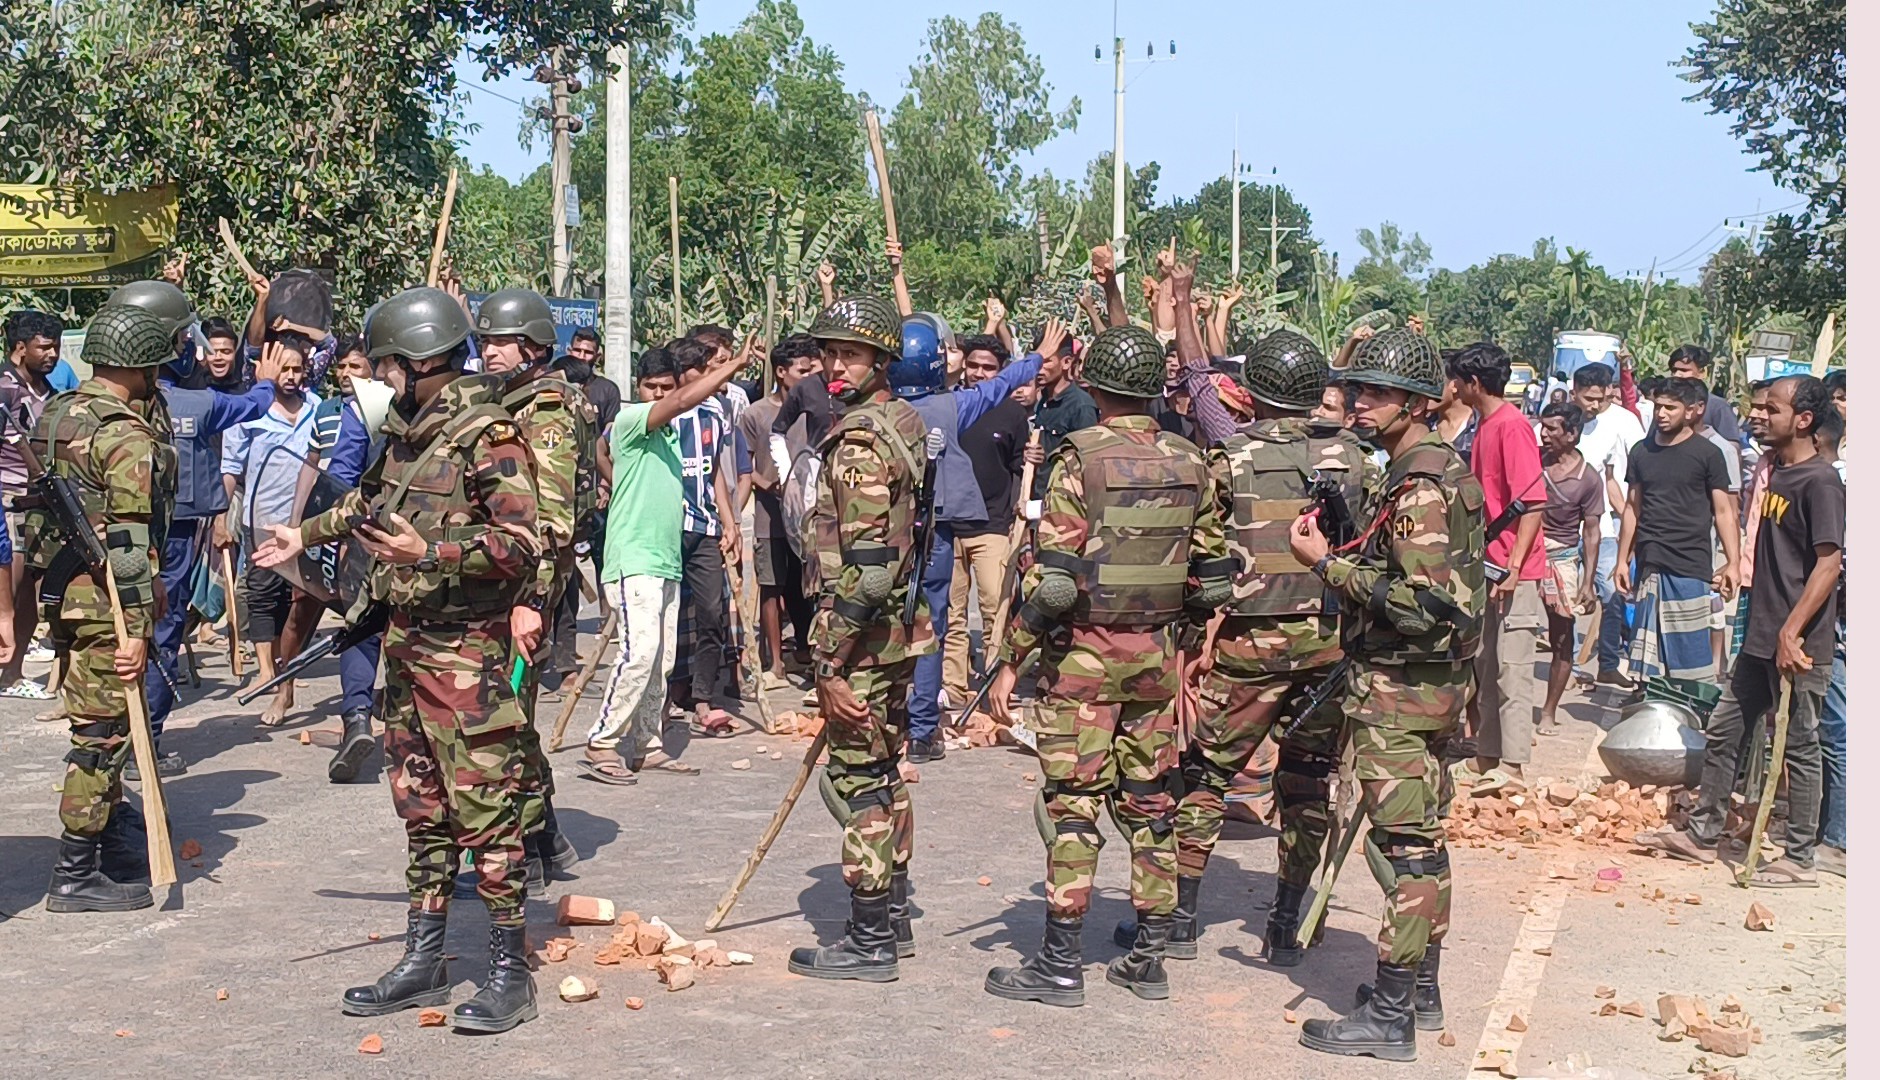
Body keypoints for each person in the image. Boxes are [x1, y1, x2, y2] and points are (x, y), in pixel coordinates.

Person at [255, 286, 544, 1033]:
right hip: (409, 651)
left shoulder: (492, 436)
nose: (377, 378)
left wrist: (436, 551)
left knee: (487, 814)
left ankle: (511, 971)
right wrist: (302, 534)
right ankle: (424, 959)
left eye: (384, 364)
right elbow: (368, 505)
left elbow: (520, 547)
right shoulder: (412, 435)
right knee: (422, 811)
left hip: (468, 662)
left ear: (416, 361)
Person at [982, 324, 1231, 1008]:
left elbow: (1057, 585)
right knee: (1151, 804)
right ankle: (1149, 955)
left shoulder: (1078, 460)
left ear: (1093, 388)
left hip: (1085, 666)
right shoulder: (1192, 460)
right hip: (1155, 662)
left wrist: (1010, 661)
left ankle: (1061, 963)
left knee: (1072, 808)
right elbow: (1212, 583)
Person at [1131, 314, 1374, 969]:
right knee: (1307, 782)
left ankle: (1179, 921)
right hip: (1329, 644)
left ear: (1256, 391)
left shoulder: (1233, 455)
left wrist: (1186, 635)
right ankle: (1288, 920)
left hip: (1249, 645)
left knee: (1205, 776)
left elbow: (1203, 555)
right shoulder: (1353, 455)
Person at [1286, 327, 1485, 1062]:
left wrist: (1327, 567)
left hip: (1401, 693)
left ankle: (1393, 1012)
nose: (1357, 403)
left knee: (1402, 847)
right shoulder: (1425, 471)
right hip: (1426, 687)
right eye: (1356, 389)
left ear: (1417, 402)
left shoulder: (1420, 484)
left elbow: (1423, 602)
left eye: (1374, 392)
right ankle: (1420, 990)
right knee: (1423, 840)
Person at [1634, 375, 1840, 888]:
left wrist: (1792, 631)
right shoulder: (1778, 474)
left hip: (1799, 643)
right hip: (1762, 635)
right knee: (1726, 729)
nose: (1758, 416)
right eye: (1757, 408)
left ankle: (1800, 857)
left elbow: (1829, 564)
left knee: (1799, 744)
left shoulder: (1820, 482)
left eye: (1770, 409)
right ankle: (1703, 833)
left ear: (1804, 420)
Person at [785, 296, 935, 982]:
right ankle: (894, 913)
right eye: (830, 353)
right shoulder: (901, 422)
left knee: (858, 781)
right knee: (885, 768)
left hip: (863, 636)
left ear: (881, 360)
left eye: (851, 353)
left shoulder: (859, 443)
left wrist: (828, 659)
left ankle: (870, 936)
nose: (835, 365)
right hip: (897, 634)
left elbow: (869, 573)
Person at [31, 304, 178, 914]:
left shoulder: (57, 412)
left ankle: (113, 839)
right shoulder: (124, 435)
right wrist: (139, 627)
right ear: (142, 365)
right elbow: (126, 542)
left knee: (108, 724)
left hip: (68, 597)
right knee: (102, 733)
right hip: (106, 606)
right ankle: (74, 870)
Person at [119, 277, 282, 775]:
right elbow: (253, 404)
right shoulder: (196, 404)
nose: (194, 347)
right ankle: (143, 741)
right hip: (175, 532)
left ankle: (106, 737)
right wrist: (268, 378)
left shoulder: (91, 407)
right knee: (161, 630)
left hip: (113, 540)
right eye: (185, 340)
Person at [475, 287, 596, 888]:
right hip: (519, 584)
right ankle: (545, 840)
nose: (489, 352)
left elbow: (549, 519)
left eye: (500, 341)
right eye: (485, 341)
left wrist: (528, 598)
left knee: (505, 718)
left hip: (529, 585)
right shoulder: (514, 400)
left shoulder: (545, 409)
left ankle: (520, 855)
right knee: (510, 716)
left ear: (532, 346)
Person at [582, 347, 746, 783]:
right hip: (633, 558)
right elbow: (677, 405)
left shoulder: (673, 437)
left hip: (665, 559)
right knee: (638, 654)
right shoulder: (632, 420)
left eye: (665, 387)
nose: (658, 394)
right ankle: (602, 741)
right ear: (639, 388)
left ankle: (647, 742)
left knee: (661, 660)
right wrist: (730, 369)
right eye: (650, 387)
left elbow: (712, 476)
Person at [898, 313, 1049, 764]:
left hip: (886, 535)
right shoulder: (949, 407)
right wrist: (1039, 355)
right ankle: (923, 730)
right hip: (937, 531)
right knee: (931, 625)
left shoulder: (876, 410)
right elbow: (1003, 385)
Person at [1447, 343, 1546, 797]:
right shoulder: (1485, 424)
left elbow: (1533, 502)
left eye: (1458, 381)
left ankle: (1515, 765)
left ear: (1472, 384)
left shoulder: (1511, 427)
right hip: (1489, 566)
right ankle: (1487, 755)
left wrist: (1514, 564)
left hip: (1513, 571)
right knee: (1487, 665)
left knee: (1514, 668)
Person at [220, 333, 321, 728]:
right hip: (261, 521)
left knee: (298, 607)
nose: (292, 376)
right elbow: (231, 468)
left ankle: (286, 683)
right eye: (285, 368)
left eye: (298, 369)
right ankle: (267, 670)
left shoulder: (318, 409)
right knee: (262, 597)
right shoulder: (249, 412)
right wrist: (218, 517)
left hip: (308, 526)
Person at [1614, 377, 1739, 683]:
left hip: (1690, 564)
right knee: (1648, 655)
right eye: (1658, 406)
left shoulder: (1708, 454)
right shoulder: (1641, 452)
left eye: (1671, 407)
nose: (1662, 413)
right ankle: (1651, 708)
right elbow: (1633, 507)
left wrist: (1734, 562)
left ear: (1691, 412)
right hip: (1650, 562)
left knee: (1689, 653)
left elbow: (1723, 511)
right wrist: (1622, 560)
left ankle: (1691, 713)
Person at [940, 334, 1030, 708]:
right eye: (973, 365)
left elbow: (1017, 467)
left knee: (997, 608)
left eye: (988, 367)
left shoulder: (1012, 414)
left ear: (1002, 371)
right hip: (946, 529)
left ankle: (995, 684)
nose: (979, 373)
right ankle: (953, 687)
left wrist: (1015, 519)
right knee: (950, 614)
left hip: (992, 526)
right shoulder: (950, 407)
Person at [667, 337, 747, 736]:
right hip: (666, 526)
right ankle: (662, 697)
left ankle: (703, 698)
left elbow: (714, 468)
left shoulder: (717, 411)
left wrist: (729, 520)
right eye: (709, 368)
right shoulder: (662, 413)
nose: (719, 375)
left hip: (705, 526)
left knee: (712, 614)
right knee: (664, 617)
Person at [737, 335, 821, 691]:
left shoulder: (818, 410)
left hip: (813, 516)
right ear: (782, 372)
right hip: (771, 515)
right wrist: (765, 483)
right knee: (771, 587)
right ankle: (775, 663)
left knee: (811, 588)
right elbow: (743, 464)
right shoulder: (756, 414)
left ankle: (809, 650)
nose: (809, 376)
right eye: (803, 370)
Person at [0, 310, 68, 700]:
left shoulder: (51, 394)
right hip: (8, 502)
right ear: (19, 348)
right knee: (8, 588)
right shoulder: (5, 388)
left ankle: (13, 672)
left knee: (28, 591)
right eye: (44, 346)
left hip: (40, 504)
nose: (53, 354)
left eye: (55, 346)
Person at [1570, 363, 1645, 688]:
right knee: (1567, 599)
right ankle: (1569, 665)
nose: (1594, 406)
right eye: (1588, 398)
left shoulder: (1619, 424)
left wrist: (1634, 522)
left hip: (1605, 529)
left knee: (1613, 594)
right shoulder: (1557, 424)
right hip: (1562, 529)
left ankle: (1609, 663)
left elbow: (1614, 481)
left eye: (1600, 399)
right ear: (1575, 392)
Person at [1535, 403, 1602, 735]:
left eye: (1552, 429)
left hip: (1560, 558)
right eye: (1543, 427)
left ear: (1572, 434)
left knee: (1561, 637)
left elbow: (1591, 531)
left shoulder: (1588, 478)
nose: (1544, 435)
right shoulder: (1531, 460)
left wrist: (1587, 582)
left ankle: (1548, 710)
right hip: (1524, 550)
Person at [1028, 326, 1098, 498]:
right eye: (1036, 361)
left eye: (1046, 362)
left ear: (1066, 362)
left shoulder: (1082, 406)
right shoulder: (1041, 400)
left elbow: (1088, 463)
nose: (1039, 369)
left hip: (1063, 503)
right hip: (1037, 497)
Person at [1667, 344, 1742, 446]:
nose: (1677, 375)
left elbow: (1732, 447)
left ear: (1702, 372)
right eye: (1674, 370)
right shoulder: (1665, 405)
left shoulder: (1717, 406)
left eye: (1684, 370)